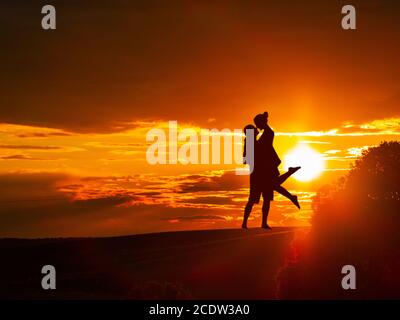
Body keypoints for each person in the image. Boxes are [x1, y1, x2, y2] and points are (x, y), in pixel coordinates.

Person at [242, 113, 300, 229]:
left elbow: (269, 134)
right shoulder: (251, 142)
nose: (257, 129)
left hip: (263, 172)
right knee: (257, 197)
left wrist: (265, 122)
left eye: (256, 127)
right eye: (254, 128)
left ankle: (260, 222)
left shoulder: (258, 141)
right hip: (257, 174)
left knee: (267, 196)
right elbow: (245, 159)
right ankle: (245, 223)